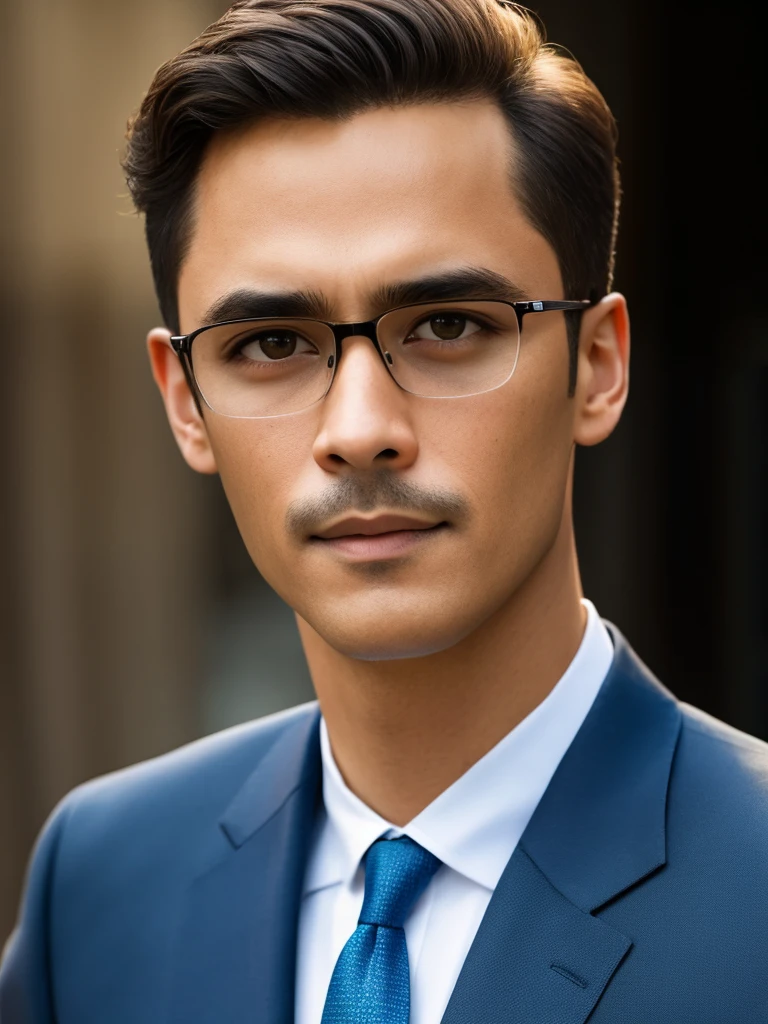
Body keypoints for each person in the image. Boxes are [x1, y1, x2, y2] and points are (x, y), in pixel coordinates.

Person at [2, 0, 767, 1020]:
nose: (360, 429)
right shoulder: (100, 884)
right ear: (185, 401)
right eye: (271, 343)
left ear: (597, 365)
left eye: (447, 324)